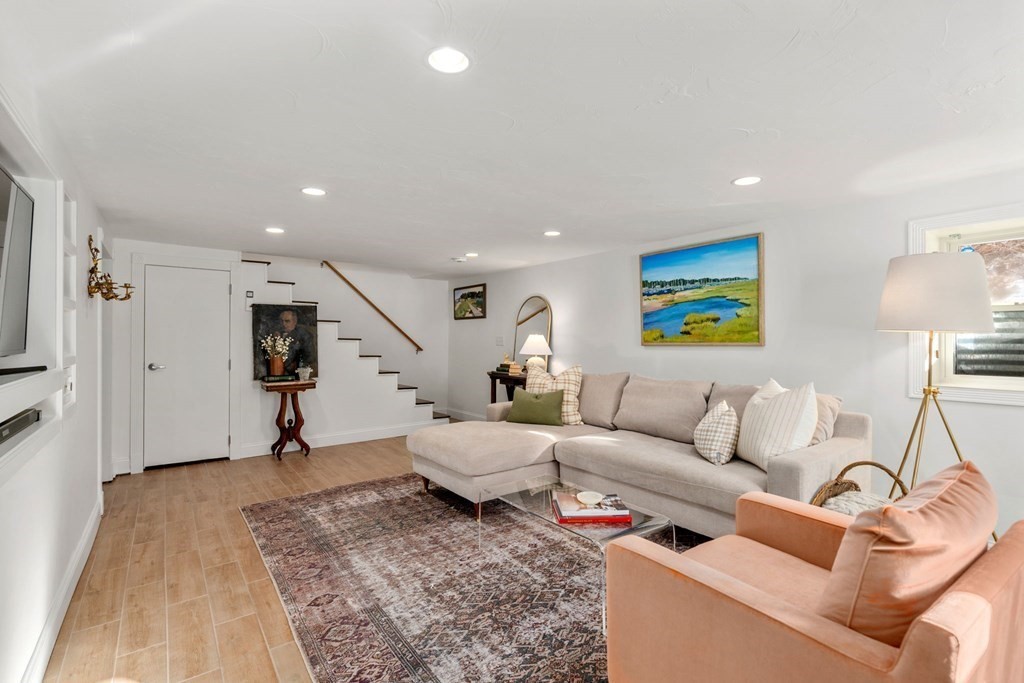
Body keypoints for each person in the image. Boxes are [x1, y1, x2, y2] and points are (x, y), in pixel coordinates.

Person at [278, 308, 315, 374]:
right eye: (281, 321)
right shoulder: (276, 334)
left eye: (287, 321)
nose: (283, 324)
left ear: (295, 321)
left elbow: (310, 357)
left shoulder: (304, 335)